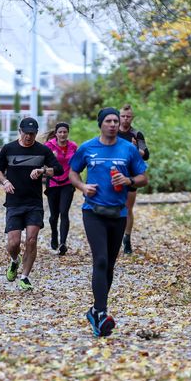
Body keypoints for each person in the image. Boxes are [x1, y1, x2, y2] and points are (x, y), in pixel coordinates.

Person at [69, 107, 148, 337]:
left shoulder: (128, 150)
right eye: (109, 121)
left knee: (110, 265)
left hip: (118, 213)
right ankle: (102, 313)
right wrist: (82, 186)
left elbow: (144, 177)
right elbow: (72, 172)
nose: (113, 124)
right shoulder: (87, 148)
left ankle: (95, 310)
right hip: (93, 211)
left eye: (116, 121)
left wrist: (129, 179)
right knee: (100, 260)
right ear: (101, 124)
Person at [0, 117, 64, 290]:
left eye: (32, 134)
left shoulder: (42, 150)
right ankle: (14, 261)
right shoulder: (9, 148)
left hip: (34, 202)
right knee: (13, 243)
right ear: (20, 131)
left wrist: (43, 170)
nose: (29, 137)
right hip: (14, 202)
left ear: (36, 133)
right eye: (26, 133)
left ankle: (24, 277)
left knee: (31, 240)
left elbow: (59, 169)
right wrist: (5, 182)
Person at [117, 104, 149, 254]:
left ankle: (127, 238)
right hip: (115, 174)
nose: (125, 119)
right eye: (123, 116)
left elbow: (146, 153)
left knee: (128, 208)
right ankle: (114, 237)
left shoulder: (137, 134)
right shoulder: (112, 132)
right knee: (115, 206)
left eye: (128, 116)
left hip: (131, 174)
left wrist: (135, 150)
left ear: (132, 118)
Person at [44, 122, 78, 255]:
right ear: (56, 133)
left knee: (64, 212)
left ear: (67, 133)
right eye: (60, 132)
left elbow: (78, 162)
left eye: (65, 132)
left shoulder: (73, 146)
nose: (63, 134)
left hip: (67, 183)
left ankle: (63, 243)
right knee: (54, 215)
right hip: (53, 183)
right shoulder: (48, 146)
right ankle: (54, 234)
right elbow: (43, 163)